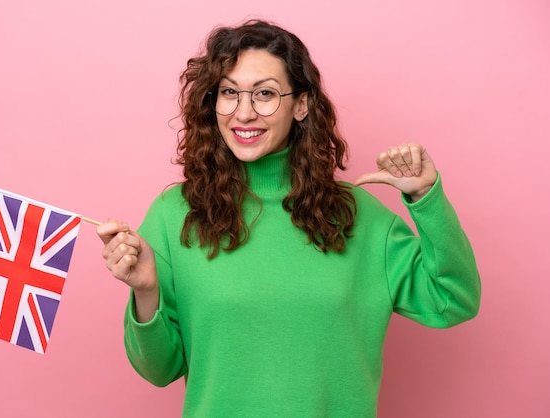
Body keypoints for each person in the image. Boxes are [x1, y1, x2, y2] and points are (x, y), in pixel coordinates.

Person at [97, 19, 481, 418]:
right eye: (229, 92)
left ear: (301, 104)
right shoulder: (173, 215)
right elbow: (159, 371)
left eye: (265, 93)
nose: (244, 112)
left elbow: (454, 299)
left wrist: (425, 197)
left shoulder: (360, 217)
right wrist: (145, 291)